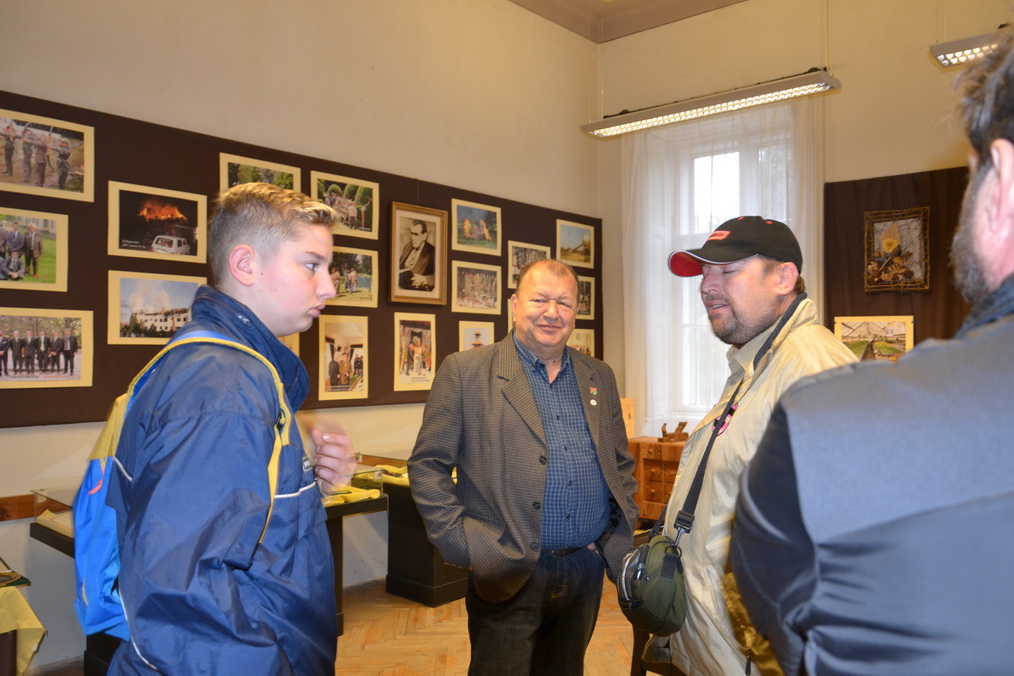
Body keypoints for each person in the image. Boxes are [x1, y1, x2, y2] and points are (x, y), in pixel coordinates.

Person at [730, 29, 1014, 676]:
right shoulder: (757, 372)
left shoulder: (826, 412)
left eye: (971, 177)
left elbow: (788, 620)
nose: (710, 288)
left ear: (1002, 186)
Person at [104, 182, 358, 675]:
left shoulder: (223, 367)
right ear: (245, 264)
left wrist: (304, 487)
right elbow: (185, 598)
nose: (329, 287)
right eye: (312, 265)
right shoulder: (226, 387)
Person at [408, 259, 638, 676]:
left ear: (576, 311)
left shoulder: (599, 375)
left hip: (583, 569)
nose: (552, 312)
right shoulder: (465, 372)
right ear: (514, 304)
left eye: (564, 303)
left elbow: (619, 462)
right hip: (506, 566)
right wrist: (461, 543)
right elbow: (428, 464)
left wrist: (613, 536)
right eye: (539, 299)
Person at [650, 217, 857, 676]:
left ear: (783, 278)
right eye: (705, 273)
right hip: (716, 648)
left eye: (727, 271)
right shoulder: (756, 364)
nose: (707, 287)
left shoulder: (812, 370)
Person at [397, 219, 436, 290]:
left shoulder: (432, 252)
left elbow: (442, 276)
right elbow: (399, 266)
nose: (413, 238)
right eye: (412, 234)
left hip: (415, 290)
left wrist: (425, 279)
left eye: (416, 234)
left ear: (424, 236)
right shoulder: (407, 246)